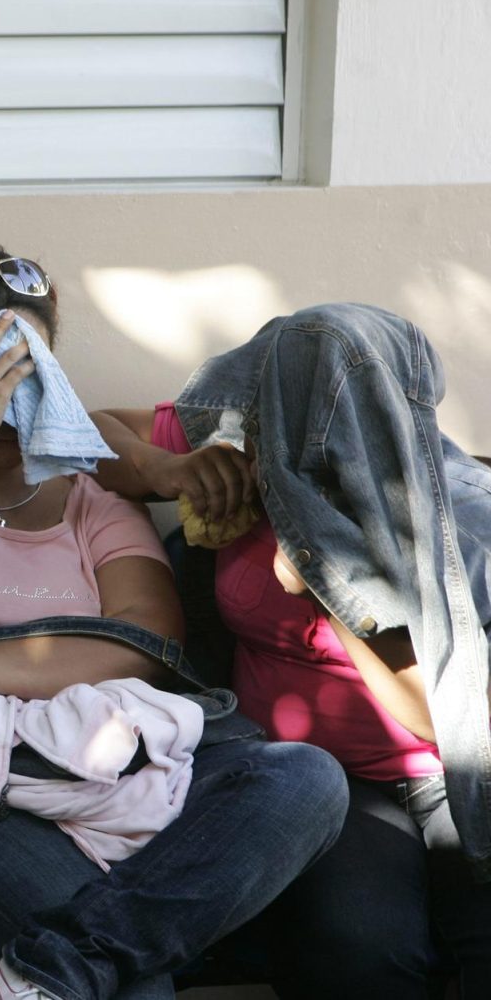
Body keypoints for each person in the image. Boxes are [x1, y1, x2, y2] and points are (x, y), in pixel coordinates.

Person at [0, 243, 348, 1000]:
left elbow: (146, 646)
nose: (10, 385)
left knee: (305, 777)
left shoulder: (93, 500)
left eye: (26, 359)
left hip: (123, 769)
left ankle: (37, 975)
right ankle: (59, 969)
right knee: (135, 981)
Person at [91, 301, 491, 998]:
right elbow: (92, 429)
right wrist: (171, 468)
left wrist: (329, 593)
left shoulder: (451, 510)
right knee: (361, 956)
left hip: (447, 773)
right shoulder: (248, 447)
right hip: (323, 781)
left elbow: (442, 720)